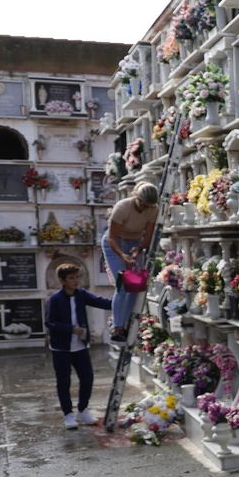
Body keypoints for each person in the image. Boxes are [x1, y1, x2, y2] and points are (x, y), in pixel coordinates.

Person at [44, 264, 113, 429]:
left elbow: (100, 302)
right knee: (64, 381)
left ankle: (82, 410)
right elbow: (49, 322)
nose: (76, 281)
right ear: (62, 280)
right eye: (71, 278)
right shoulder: (54, 299)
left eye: (77, 277)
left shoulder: (81, 294)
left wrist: (122, 301)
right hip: (61, 347)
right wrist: (70, 329)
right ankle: (68, 414)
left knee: (87, 378)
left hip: (80, 345)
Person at [102, 181, 159, 342]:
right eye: (141, 203)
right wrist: (122, 255)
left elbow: (147, 236)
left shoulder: (153, 210)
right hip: (115, 244)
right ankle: (117, 327)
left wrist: (139, 249)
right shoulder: (123, 207)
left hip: (134, 243)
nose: (144, 208)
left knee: (134, 287)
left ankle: (127, 324)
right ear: (135, 196)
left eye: (147, 205)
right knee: (122, 286)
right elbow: (112, 238)